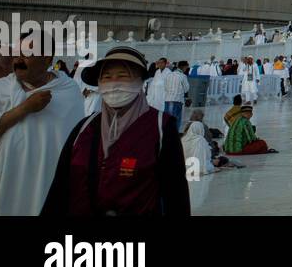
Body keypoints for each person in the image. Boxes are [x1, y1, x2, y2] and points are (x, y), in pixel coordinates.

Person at [41, 46, 190, 216]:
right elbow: (59, 189)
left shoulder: (161, 128)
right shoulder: (84, 128)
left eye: (123, 76)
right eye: (106, 77)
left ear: (139, 81)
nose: (114, 83)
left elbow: (176, 196)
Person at [0, 44, 85, 215]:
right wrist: (24, 108)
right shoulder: (0, 89)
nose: (18, 60)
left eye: (26, 54)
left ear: (47, 59)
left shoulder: (69, 91)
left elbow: (76, 144)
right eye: (16, 55)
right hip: (8, 183)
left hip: (49, 182)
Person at [163, 62, 189, 128]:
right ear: (184, 67)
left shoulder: (168, 75)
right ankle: (174, 135)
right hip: (177, 100)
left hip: (167, 100)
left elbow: (165, 86)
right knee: (176, 119)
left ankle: (165, 134)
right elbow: (186, 89)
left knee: (167, 118)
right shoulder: (183, 76)